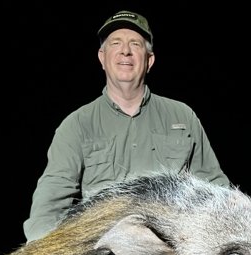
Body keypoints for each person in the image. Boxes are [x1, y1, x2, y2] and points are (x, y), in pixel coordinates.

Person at [23, 10, 230, 242]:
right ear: (102, 57)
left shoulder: (183, 116)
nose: (125, 51)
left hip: (172, 252)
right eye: (116, 43)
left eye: (135, 44)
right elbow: (49, 203)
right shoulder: (77, 125)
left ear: (149, 60)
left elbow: (217, 190)